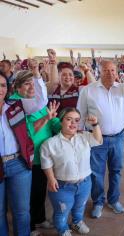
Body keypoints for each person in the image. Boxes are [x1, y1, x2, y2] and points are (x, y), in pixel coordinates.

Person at [77, 55, 124, 218]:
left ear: (117, 71)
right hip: (96, 138)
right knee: (96, 172)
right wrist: (79, 136)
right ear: (98, 71)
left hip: (118, 138)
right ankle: (98, 202)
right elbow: (80, 113)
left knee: (116, 170)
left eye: (112, 70)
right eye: (105, 70)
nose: (109, 73)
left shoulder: (123, 87)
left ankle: (113, 200)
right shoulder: (88, 90)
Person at [10, 59, 61, 235]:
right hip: (27, 157)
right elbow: (27, 133)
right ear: (17, 87)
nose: (31, 87)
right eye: (26, 84)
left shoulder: (35, 100)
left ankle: (39, 219)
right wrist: (46, 118)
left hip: (42, 156)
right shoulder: (15, 104)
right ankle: (29, 227)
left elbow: (51, 119)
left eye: (33, 83)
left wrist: (64, 125)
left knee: (39, 189)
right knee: (27, 195)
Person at [0, 67, 48, 236]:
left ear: (8, 88)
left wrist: (36, 74)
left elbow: (40, 101)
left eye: (3, 85)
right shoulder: (16, 101)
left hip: (18, 163)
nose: (0, 89)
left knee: (22, 211)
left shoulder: (15, 105)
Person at [40, 108, 102, 236]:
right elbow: (46, 164)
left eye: (76, 120)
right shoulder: (50, 143)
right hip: (62, 186)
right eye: (69, 119)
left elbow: (98, 140)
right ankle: (62, 230)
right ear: (61, 121)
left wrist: (95, 124)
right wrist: (51, 179)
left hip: (85, 183)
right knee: (62, 212)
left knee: (80, 207)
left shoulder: (84, 137)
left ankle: (77, 222)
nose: (73, 123)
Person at [46, 49, 95, 114]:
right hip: (53, 123)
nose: (68, 77)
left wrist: (86, 70)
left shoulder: (78, 90)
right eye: (64, 75)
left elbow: (94, 87)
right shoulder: (52, 89)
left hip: (73, 123)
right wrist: (53, 61)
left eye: (70, 74)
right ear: (58, 76)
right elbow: (54, 83)